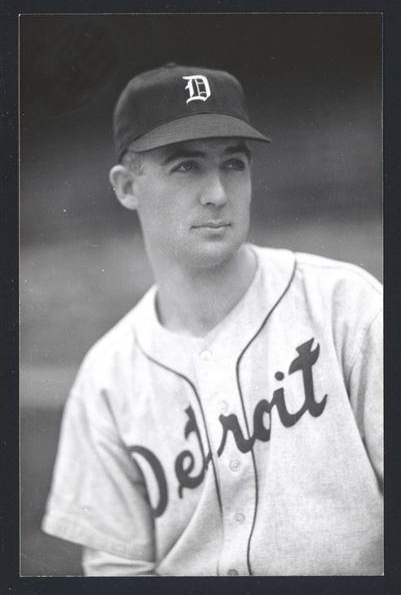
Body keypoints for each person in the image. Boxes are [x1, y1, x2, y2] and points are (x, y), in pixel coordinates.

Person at [42, 63, 383, 576]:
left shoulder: (345, 304)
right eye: (186, 166)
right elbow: (117, 572)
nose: (219, 193)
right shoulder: (106, 381)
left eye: (234, 164)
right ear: (126, 186)